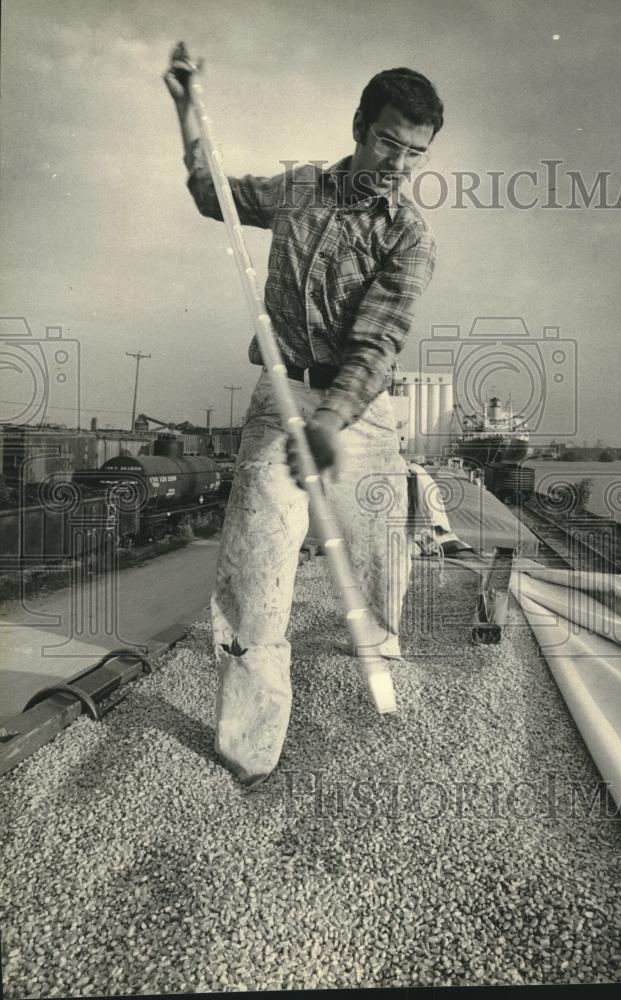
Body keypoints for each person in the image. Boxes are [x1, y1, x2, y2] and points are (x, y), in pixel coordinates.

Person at [164, 43, 444, 786]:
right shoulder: (295, 192)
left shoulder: (407, 235)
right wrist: (188, 110)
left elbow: (377, 340)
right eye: (388, 141)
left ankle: (379, 648)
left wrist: (332, 423)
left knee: (375, 555)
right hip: (280, 395)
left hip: (364, 412)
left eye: (414, 153)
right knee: (254, 564)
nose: (397, 163)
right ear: (359, 127)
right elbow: (209, 193)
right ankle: (249, 751)